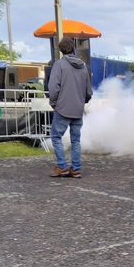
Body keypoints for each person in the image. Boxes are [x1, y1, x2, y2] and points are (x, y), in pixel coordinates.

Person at [48, 37, 92, 178]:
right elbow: (89, 91)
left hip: (62, 108)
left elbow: (53, 87)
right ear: (73, 48)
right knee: (76, 140)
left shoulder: (59, 65)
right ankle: (76, 168)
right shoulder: (83, 67)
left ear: (61, 50)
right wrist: (82, 102)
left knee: (56, 137)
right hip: (78, 109)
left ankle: (62, 166)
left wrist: (53, 103)